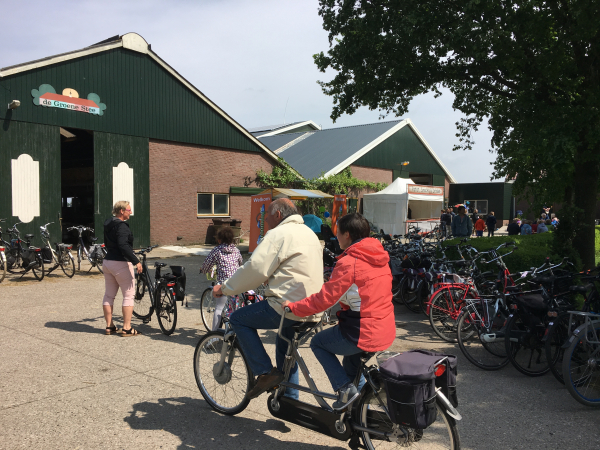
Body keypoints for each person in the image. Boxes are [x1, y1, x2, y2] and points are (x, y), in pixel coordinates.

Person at [282, 213, 395, 410]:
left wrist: (293, 306)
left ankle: (345, 390)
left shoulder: (349, 262)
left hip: (362, 331)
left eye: (338, 233)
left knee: (318, 343)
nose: (336, 237)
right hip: (384, 328)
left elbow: (324, 300)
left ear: (348, 235)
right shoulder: (379, 256)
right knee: (352, 367)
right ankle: (359, 413)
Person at [212, 199, 323, 400]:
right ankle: (289, 401)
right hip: (312, 308)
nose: (266, 221)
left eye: (267, 216)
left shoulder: (279, 234)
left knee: (238, 319)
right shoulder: (309, 234)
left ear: (278, 215)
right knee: (285, 348)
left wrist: (225, 288)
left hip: (285, 306)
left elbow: (255, 269)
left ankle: (264, 372)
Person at [102, 201, 143, 337]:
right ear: (121, 211)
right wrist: (136, 261)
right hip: (120, 262)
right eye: (129, 210)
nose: (130, 212)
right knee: (128, 295)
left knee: (109, 295)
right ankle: (127, 328)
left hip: (108, 261)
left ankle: (109, 326)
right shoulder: (122, 226)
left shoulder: (108, 223)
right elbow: (123, 245)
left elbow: (107, 243)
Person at [200, 227, 243, 330]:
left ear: (219, 239)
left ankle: (214, 336)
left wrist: (203, 270)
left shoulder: (217, 250)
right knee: (236, 309)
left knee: (219, 308)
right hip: (237, 283)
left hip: (223, 284)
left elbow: (206, 265)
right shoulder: (236, 250)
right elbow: (241, 263)